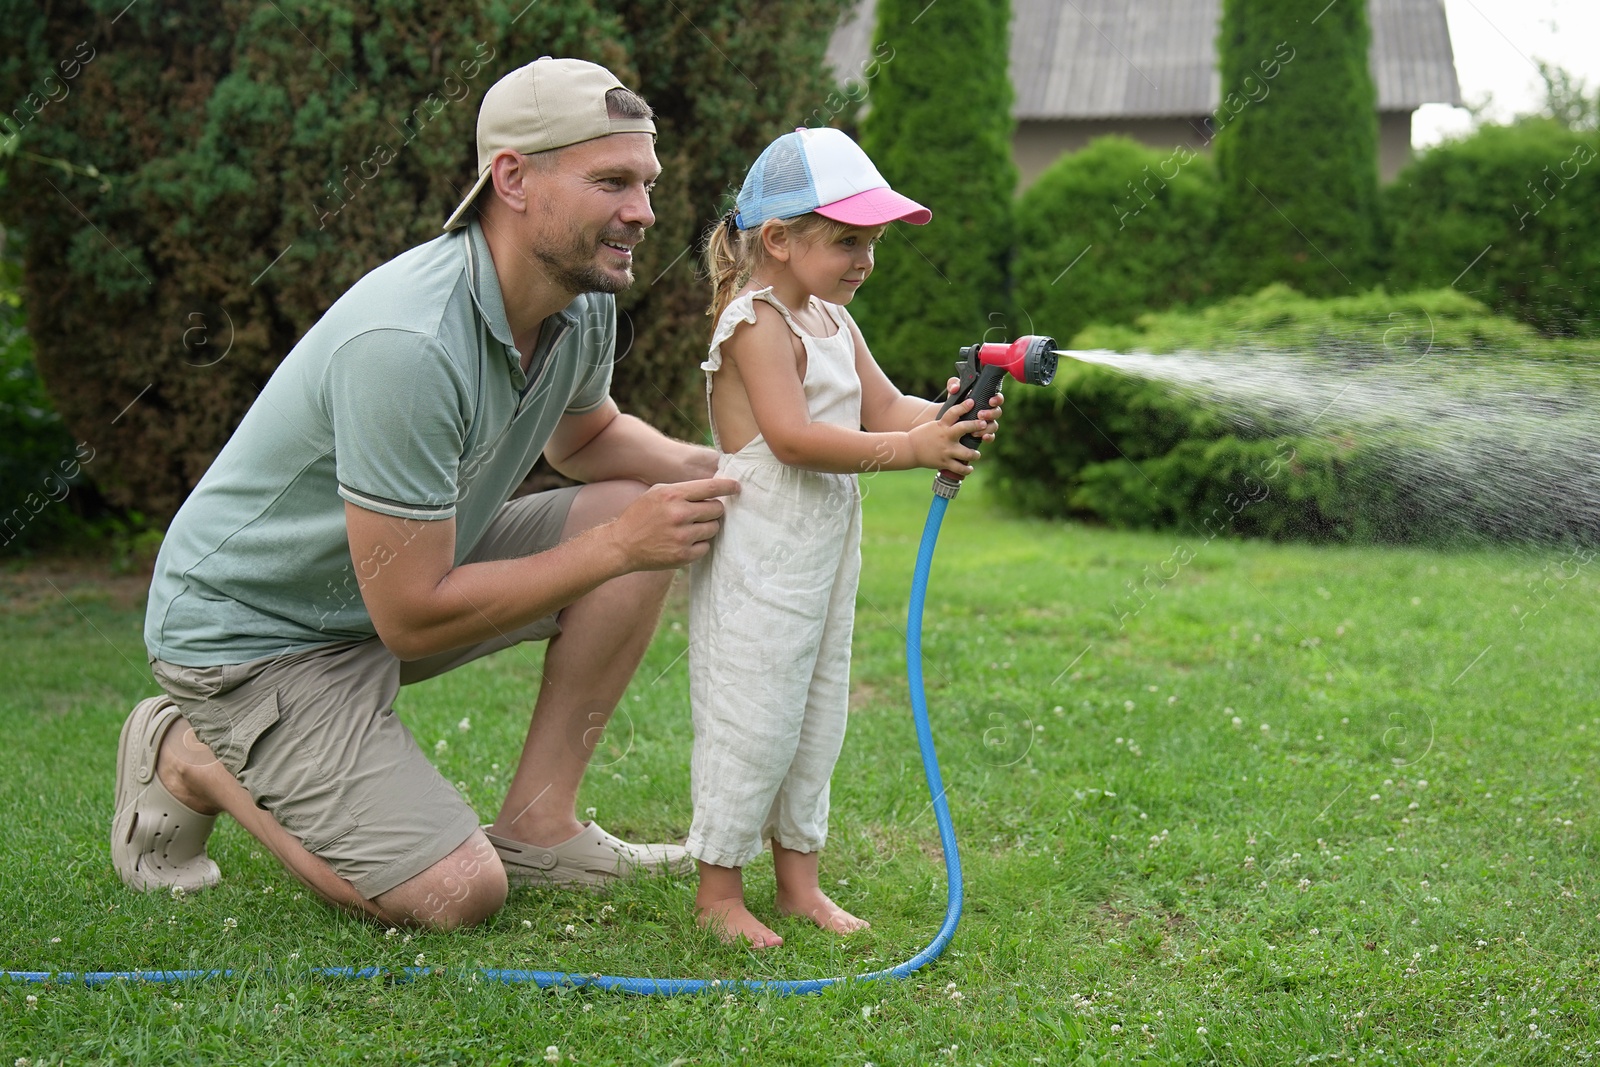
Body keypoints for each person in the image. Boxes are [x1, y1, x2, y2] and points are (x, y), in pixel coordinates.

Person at [112, 57, 738, 930]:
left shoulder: (579, 295)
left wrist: (748, 475)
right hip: (255, 638)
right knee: (456, 896)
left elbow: (588, 438)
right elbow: (412, 615)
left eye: (646, 182)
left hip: (385, 592)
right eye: (612, 181)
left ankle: (541, 828)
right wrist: (621, 544)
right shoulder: (407, 342)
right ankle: (190, 753)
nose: (644, 211)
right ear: (512, 179)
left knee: (623, 506)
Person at [686, 127, 1002, 948]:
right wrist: (911, 451)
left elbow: (886, 408)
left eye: (875, 242)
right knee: (753, 714)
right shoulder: (754, 322)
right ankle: (719, 889)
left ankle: (799, 884)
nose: (866, 258)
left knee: (815, 711)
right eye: (848, 240)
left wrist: (948, 418)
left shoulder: (829, 318)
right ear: (781, 240)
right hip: (760, 556)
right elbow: (792, 439)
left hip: (823, 553)